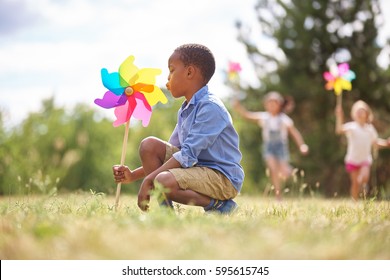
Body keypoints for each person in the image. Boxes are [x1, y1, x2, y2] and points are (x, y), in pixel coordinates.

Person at [112, 43, 244, 214]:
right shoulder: (185, 109)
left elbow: (187, 155)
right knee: (149, 146)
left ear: (189, 72)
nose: (168, 78)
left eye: (172, 70)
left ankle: (221, 206)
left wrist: (150, 179)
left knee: (163, 180)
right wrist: (133, 176)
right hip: (196, 168)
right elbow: (172, 157)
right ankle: (166, 214)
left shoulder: (210, 107)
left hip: (222, 178)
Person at [232, 92, 308, 200]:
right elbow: (247, 115)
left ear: (279, 105)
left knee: (284, 173)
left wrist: (302, 145)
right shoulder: (264, 117)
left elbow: (294, 133)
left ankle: (290, 171)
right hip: (269, 147)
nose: (271, 106)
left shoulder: (284, 119)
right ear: (265, 105)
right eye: (269, 103)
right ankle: (278, 196)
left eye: (274, 103)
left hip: (281, 148)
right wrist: (238, 106)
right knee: (273, 169)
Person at [335, 100, 388, 200]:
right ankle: (354, 201)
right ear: (354, 114)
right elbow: (339, 130)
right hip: (352, 159)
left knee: (364, 177)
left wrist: (386, 143)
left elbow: (375, 143)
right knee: (355, 184)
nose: (359, 112)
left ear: (367, 114)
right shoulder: (352, 127)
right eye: (357, 111)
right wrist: (339, 116)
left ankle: (363, 184)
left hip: (365, 159)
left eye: (362, 110)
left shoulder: (370, 129)